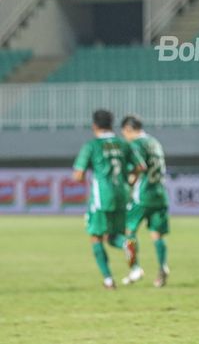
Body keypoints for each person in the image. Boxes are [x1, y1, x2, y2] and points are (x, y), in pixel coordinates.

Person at [73, 109, 146, 289]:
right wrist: (130, 180)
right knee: (114, 235)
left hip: (102, 198)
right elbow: (140, 166)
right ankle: (129, 252)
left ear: (94, 126)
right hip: (122, 195)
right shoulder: (124, 144)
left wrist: (87, 176)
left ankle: (108, 279)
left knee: (96, 237)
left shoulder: (92, 146)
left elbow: (78, 175)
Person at [120, 115, 170, 287]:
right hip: (160, 193)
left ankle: (134, 268)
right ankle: (163, 266)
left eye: (124, 133)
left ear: (128, 129)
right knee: (157, 234)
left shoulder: (135, 144)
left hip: (143, 195)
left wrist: (128, 182)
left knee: (128, 230)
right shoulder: (154, 142)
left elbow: (138, 168)